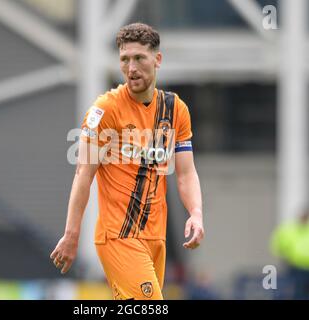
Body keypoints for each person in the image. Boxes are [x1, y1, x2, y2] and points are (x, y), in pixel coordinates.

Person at [50, 23, 204, 300]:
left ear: (157, 60)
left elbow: (185, 173)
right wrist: (71, 234)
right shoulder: (105, 110)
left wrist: (196, 213)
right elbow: (83, 175)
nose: (131, 67)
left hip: (156, 239)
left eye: (139, 58)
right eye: (124, 59)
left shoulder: (175, 109)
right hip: (118, 236)